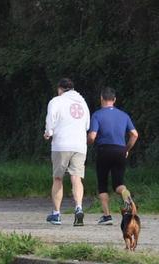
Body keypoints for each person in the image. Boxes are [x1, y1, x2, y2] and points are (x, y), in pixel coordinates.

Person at [87, 87, 139, 225]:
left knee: (103, 184)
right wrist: (126, 149)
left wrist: (86, 142)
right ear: (114, 100)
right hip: (120, 150)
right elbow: (135, 134)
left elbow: (92, 136)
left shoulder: (97, 115)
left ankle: (107, 216)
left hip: (104, 150)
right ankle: (127, 198)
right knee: (119, 184)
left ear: (101, 99)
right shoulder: (124, 115)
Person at [43, 78, 90, 226]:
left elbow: (51, 120)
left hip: (61, 144)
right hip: (80, 145)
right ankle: (79, 208)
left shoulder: (56, 101)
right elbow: (87, 125)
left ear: (60, 89)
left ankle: (56, 214)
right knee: (76, 178)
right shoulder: (83, 103)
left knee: (58, 178)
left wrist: (48, 132)